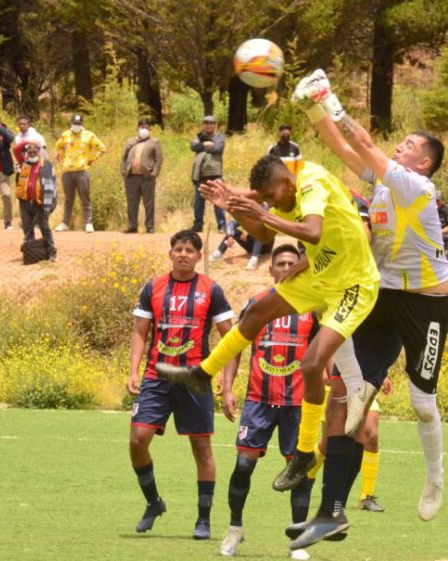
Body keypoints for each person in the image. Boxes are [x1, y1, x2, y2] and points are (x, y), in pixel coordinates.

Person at [157, 155, 380, 548]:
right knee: (258, 310)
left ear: (284, 181)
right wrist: (235, 205)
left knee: (311, 363)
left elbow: (310, 232)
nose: (272, 204)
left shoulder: (310, 180)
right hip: (320, 277)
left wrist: (255, 206)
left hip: (354, 285)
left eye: (271, 196)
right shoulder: (285, 186)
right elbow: (262, 227)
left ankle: (305, 454)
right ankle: (202, 374)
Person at [287, 68, 448, 544]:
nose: (399, 147)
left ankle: (435, 476)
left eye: (407, 146)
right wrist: (314, 110)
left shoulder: (416, 187)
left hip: (425, 305)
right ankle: (331, 512)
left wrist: (331, 99)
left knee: (422, 404)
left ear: (422, 164)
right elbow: (342, 148)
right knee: (344, 400)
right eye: (398, 144)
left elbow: (360, 142)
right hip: (382, 296)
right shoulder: (384, 186)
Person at [126, 230, 234, 540]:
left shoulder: (211, 290)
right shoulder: (154, 287)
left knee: (201, 448)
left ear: (199, 256)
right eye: (178, 249)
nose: (183, 254)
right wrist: (133, 370)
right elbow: (140, 332)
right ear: (170, 253)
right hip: (156, 377)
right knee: (137, 439)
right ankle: (153, 502)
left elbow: (231, 337)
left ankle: (203, 519)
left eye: (190, 249)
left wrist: (227, 384)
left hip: (194, 381)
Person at [218, 244, 319, 560]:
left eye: (292, 262)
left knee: (299, 470)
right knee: (243, 464)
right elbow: (234, 346)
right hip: (259, 400)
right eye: (281, 263)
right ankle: (235, 528)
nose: (286, 266)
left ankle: (299, 538)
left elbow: (326, 350)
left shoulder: (313, 307)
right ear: (271, 268)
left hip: (297, 404)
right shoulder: (257, 304)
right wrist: (228, 387)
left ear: (299, 267)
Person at [54, 114, 106, 233]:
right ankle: (65, 223)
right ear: (71, 123)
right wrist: (61, 156)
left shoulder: (89, 136)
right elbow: (58, 146)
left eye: (78, 124)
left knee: (85, 198)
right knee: (68, 199)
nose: (76, 126)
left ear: (82, 124)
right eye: (74, 123)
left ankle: (88, 223)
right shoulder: (65, 135)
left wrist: (92, 159)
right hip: (67, 172)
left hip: (82, 171)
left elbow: (102, 148)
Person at [15, 143, 57, 262]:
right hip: (25, 203)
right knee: (27, 229)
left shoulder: (46, 165)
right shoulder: (23, 164)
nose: (32, 154)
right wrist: (27, 141)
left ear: (39, 152)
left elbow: (50, 187)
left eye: (34, 152)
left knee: (44, 228)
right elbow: (16, 149)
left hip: (41, 204)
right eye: (30, 152)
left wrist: (47, 207)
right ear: (27, 154)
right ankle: (32, 253)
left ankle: (52, 252)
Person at [355, 376, 392, 513]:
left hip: (365, 384)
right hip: (338, 382)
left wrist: (382, 375)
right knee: (328, 445)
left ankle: (366, 497)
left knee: (371, 436)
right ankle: (307, 481)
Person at [121, 118, 163, 233]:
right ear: (137, 128)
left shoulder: (154, 142)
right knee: (132, 203)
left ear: (150, 129)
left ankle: (150, 226)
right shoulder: (130, 141)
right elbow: (124, 158)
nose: (144, 130)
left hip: (147, 177)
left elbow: (159, 160)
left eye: (146, 128)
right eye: (142, 127)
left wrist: (154, 173)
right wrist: (124, 171)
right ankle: (132, 226)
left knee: (149, 203)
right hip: (131, 177)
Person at [190, 115, 227, 232]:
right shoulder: (198, 136)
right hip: (200, 175)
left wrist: (201, 147)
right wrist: (206, 145)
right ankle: (198, 225)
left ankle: (222, 225)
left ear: (215, 125)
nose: (208, 125)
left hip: (215, 174)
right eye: (206, 123)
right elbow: (193, 146)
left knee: (219, 202)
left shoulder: (220, 137)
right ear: (203, 125)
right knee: (199, 203)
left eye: (211, 123)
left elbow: (218, 149)